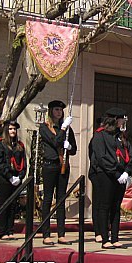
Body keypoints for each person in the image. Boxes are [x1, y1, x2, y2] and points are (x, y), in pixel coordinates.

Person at [88, 107, 131, 249]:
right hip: (106, 175)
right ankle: (105, 238)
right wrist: (116, 173)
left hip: (120, 175)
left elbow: (129, 155)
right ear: (114, 120)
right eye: (121, 119)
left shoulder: (121, 136)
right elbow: (101, 157)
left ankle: (115, 237)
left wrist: (126, 172)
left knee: (116, 207)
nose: (123, 122)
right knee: (104, 206)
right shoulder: (100, 135)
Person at [40, 99, 77, 245]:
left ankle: (61, 234)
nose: (59, 112)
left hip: (63, 166)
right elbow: (55, 142)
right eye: (56, 110)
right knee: (48, 199)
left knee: (61, 199)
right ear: (51, 111)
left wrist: (69, 146)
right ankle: (46, 234)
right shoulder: (45, 127)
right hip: (50, 166)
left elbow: (73, 149)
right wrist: (62, 129)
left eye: (60, 110)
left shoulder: (67, 129)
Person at [0, 120, 27, 240]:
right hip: (4, 178)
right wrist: (10, 176)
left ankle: (10, 230)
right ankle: (3, 232)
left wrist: (20, 176)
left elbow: (23, 163)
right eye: (11, 129)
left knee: (13, 205)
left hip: (16, 178)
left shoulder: (19, 145)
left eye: (14, 129)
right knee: (4, 205)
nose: (13, 131)